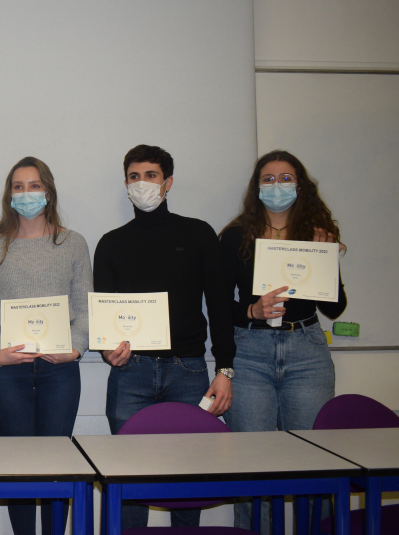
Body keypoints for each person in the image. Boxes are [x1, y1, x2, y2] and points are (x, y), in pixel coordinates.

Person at [93, 144, 234, 530]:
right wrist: (107, 351)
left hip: (189, 372)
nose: (142, 184)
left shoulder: (199, 234)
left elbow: (219, 307)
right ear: (126, 184)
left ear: (168, 182)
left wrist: (225, 369)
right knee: (128, 481)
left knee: (187, 479)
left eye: (151, 175)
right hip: (130, 374)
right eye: (134, 177)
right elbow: (105, 317)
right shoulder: (110, 243)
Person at [220, 150, 347, 533]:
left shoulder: (315, 234)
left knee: (316, 462)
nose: (277, 186)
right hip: (250, 352)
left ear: (300, 185)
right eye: (269, 179)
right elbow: (219, 305)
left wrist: (327, 258)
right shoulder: (235, 235)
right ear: (257, 186)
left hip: (307, 350)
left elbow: (335, 308)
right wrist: (252, 311)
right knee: (252, 464)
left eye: (286, 178)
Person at [0, 156, 91, 535]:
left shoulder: (73, 244)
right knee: (17, 468)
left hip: (60, 369)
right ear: (9, 196)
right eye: (18, 187)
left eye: (34, 186)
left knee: (58, 467)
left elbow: (85, 307)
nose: (26, 194)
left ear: (48, 192)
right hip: (9, 372)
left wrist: (75, 348)